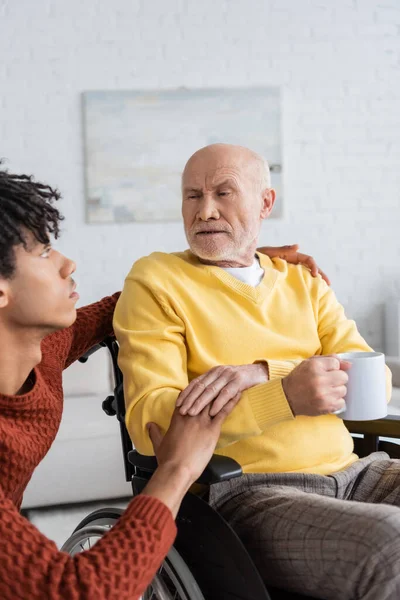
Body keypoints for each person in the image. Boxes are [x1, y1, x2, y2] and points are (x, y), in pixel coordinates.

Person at [0, 162, 322, 599]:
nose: (66, 262)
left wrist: (242, 262)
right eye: (41, 252)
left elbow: (135, 300)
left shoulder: (46, 347)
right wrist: (176, 470)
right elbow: (80, 592)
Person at [114, 143, 397, 600]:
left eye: (224, 193)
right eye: (192, 196)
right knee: (393, 545)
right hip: (251, 493)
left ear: (265, 202)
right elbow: (152, 422)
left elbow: (374, 381)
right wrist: (284, 397)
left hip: (358, 473)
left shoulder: (304, 282)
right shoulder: (156, 279)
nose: (205, 211)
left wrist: (266, 372)